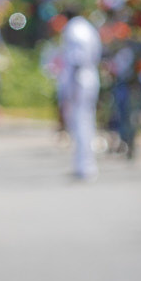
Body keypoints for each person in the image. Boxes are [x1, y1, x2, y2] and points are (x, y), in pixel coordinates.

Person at [57, 10, 102, 180]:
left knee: (80, 122)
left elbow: (77, 58)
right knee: (85, 121)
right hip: (88, 77)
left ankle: (85, 166)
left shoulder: (75, 28)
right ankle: (83, 164)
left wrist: (73, 86)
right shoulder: (87, 27)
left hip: (80, 80)